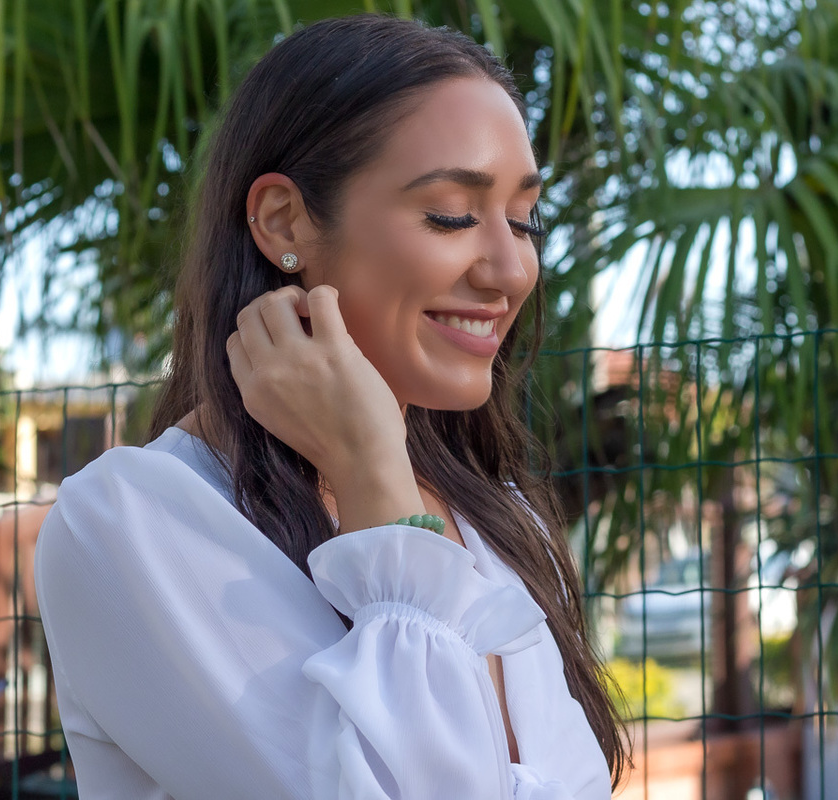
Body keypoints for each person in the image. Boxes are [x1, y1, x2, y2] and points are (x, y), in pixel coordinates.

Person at [34, 14, 629, 799]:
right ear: (285, 221)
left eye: (525, 221)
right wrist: (372, 475)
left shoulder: (496, 519)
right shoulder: (129, 526)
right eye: (452, 214)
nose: (511, 269)